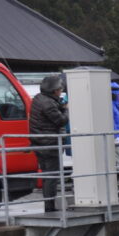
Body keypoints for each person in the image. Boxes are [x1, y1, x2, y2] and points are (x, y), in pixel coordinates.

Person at [29, 73, 69, 212]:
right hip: (50, 144)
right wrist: (67, 109)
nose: (61, 91)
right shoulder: (48, 103)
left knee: (47, 175)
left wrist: (61, 106)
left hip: (39, 143)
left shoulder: (39, 99)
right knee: (52, 176)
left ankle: (49, 205)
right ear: (54, 90)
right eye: (59, 89)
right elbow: (61, 120)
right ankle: (50, 207)